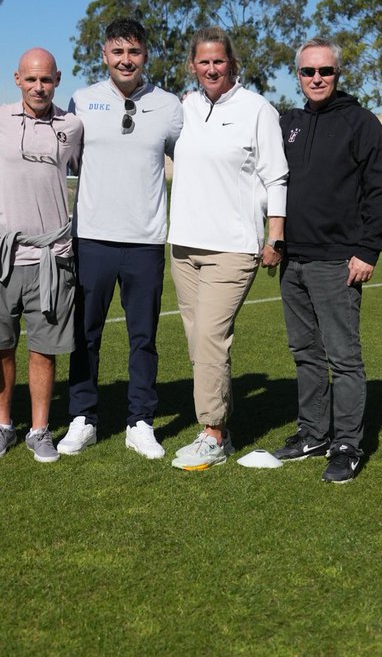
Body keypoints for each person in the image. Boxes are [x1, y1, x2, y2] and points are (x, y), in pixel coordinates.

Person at [59, 18, 183, 459]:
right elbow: (62, 160)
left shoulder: (169, 106)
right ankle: (82, 418)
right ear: (104, 55)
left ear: (145, 54)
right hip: (91, 238)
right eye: (117, 51)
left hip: (145, 242)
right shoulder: (81, 101)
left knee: (143, 337)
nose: (125, 60)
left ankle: (140, 421)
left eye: (133, 52)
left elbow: (193, 163)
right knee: (84, 335)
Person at [167, 26, 287, 471]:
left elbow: (276, 176)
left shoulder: (258, 110)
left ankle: (213, 434)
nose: (212, 68)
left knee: (210, 338)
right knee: (197, 342)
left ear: (232, 64)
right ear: (192, 66)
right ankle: (220, 427)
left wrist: (275, 235)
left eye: (219, 60)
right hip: (183, 245)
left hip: (233, 247)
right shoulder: (184, 108)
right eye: (204, 61)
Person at [273, 37, 382, 484]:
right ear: (298, 75)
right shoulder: (288, 123)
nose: (317, 78)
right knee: (305, 353)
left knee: (343, 359)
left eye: (326, 71)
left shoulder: (360, 122)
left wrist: (368, 250)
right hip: (293, 260)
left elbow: (379, 190)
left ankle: (346, 445)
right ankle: (312, 433)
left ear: (338, 74)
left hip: (338, 261)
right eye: (309, 71)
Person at [0, 48, 83, 463]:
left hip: (52, 257)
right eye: (31, 79)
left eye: (46, 79)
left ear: (57, 79)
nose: (38, 87)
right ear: (17, 79)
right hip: (3, 256)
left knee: (44, 349)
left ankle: (40, 430)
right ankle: (3, 426)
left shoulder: (72, 125)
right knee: (1, 346)